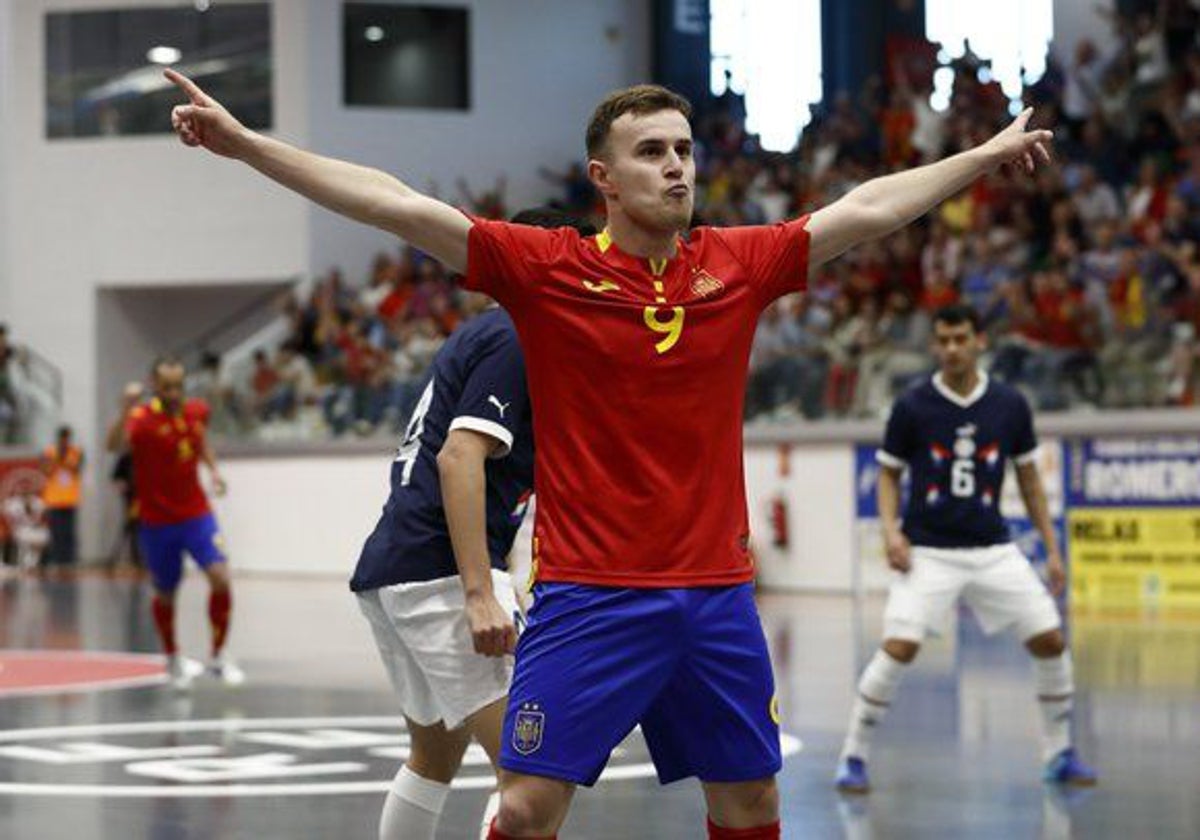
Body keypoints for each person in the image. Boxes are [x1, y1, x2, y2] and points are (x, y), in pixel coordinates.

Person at [165, 67, 1052, 839]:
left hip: (715, 598)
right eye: (653, 152)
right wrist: (247, 145)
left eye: (685, 150)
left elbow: (867, 208)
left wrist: (979, 156)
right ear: (605, 178)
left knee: (749, 799)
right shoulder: (545, 270)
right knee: (524, 810)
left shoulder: (738, 264)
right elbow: (394, 201)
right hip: (590, 597)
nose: (676, 166)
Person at [350, 208, 593, 840]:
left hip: (396, 567)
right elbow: (460, 457)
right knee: (532, 782)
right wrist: (480, 592)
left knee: (434, 758)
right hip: (440, 574)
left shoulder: (487, 333)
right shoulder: (519, 335)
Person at [834, 304, 1097, 793]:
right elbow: (889, 474)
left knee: (1051, 640)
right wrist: (891, 532)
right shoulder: (912, 406)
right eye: (943, 341)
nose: (952, 349)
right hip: (928, 551)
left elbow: (1030, 479)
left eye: (960, 339)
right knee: (899, 647)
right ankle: (853, 755)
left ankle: (1059, 753)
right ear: (935, 346)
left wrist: (1051, 549)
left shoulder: (1010, 404)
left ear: (979, 342)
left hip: (993, 548)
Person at [106, 357, 242, 689]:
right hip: (157, 521)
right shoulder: (141, 419)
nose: (174, 392)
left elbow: (200, 444)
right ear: (155, 385)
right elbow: (113, 445)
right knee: (166, 593)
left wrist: (213, 470)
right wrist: (125, 408)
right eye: (167, 386)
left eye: (179, 385)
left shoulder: (196, 411)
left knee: (221, 577)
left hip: (196, 514)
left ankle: (219, 655)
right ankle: (172, 657)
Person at [40, 424, 84, 575]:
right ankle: (56, 561)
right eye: (62, 438)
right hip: (54, 498)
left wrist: (65, 459)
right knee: (56, 532)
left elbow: (77, 468)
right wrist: (57, 459)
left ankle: (69, 562)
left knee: (69, 533)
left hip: (70, 498)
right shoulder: (49, 452)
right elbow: (45, 470)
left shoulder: (76, 452)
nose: (64, 441)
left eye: (66, 438)